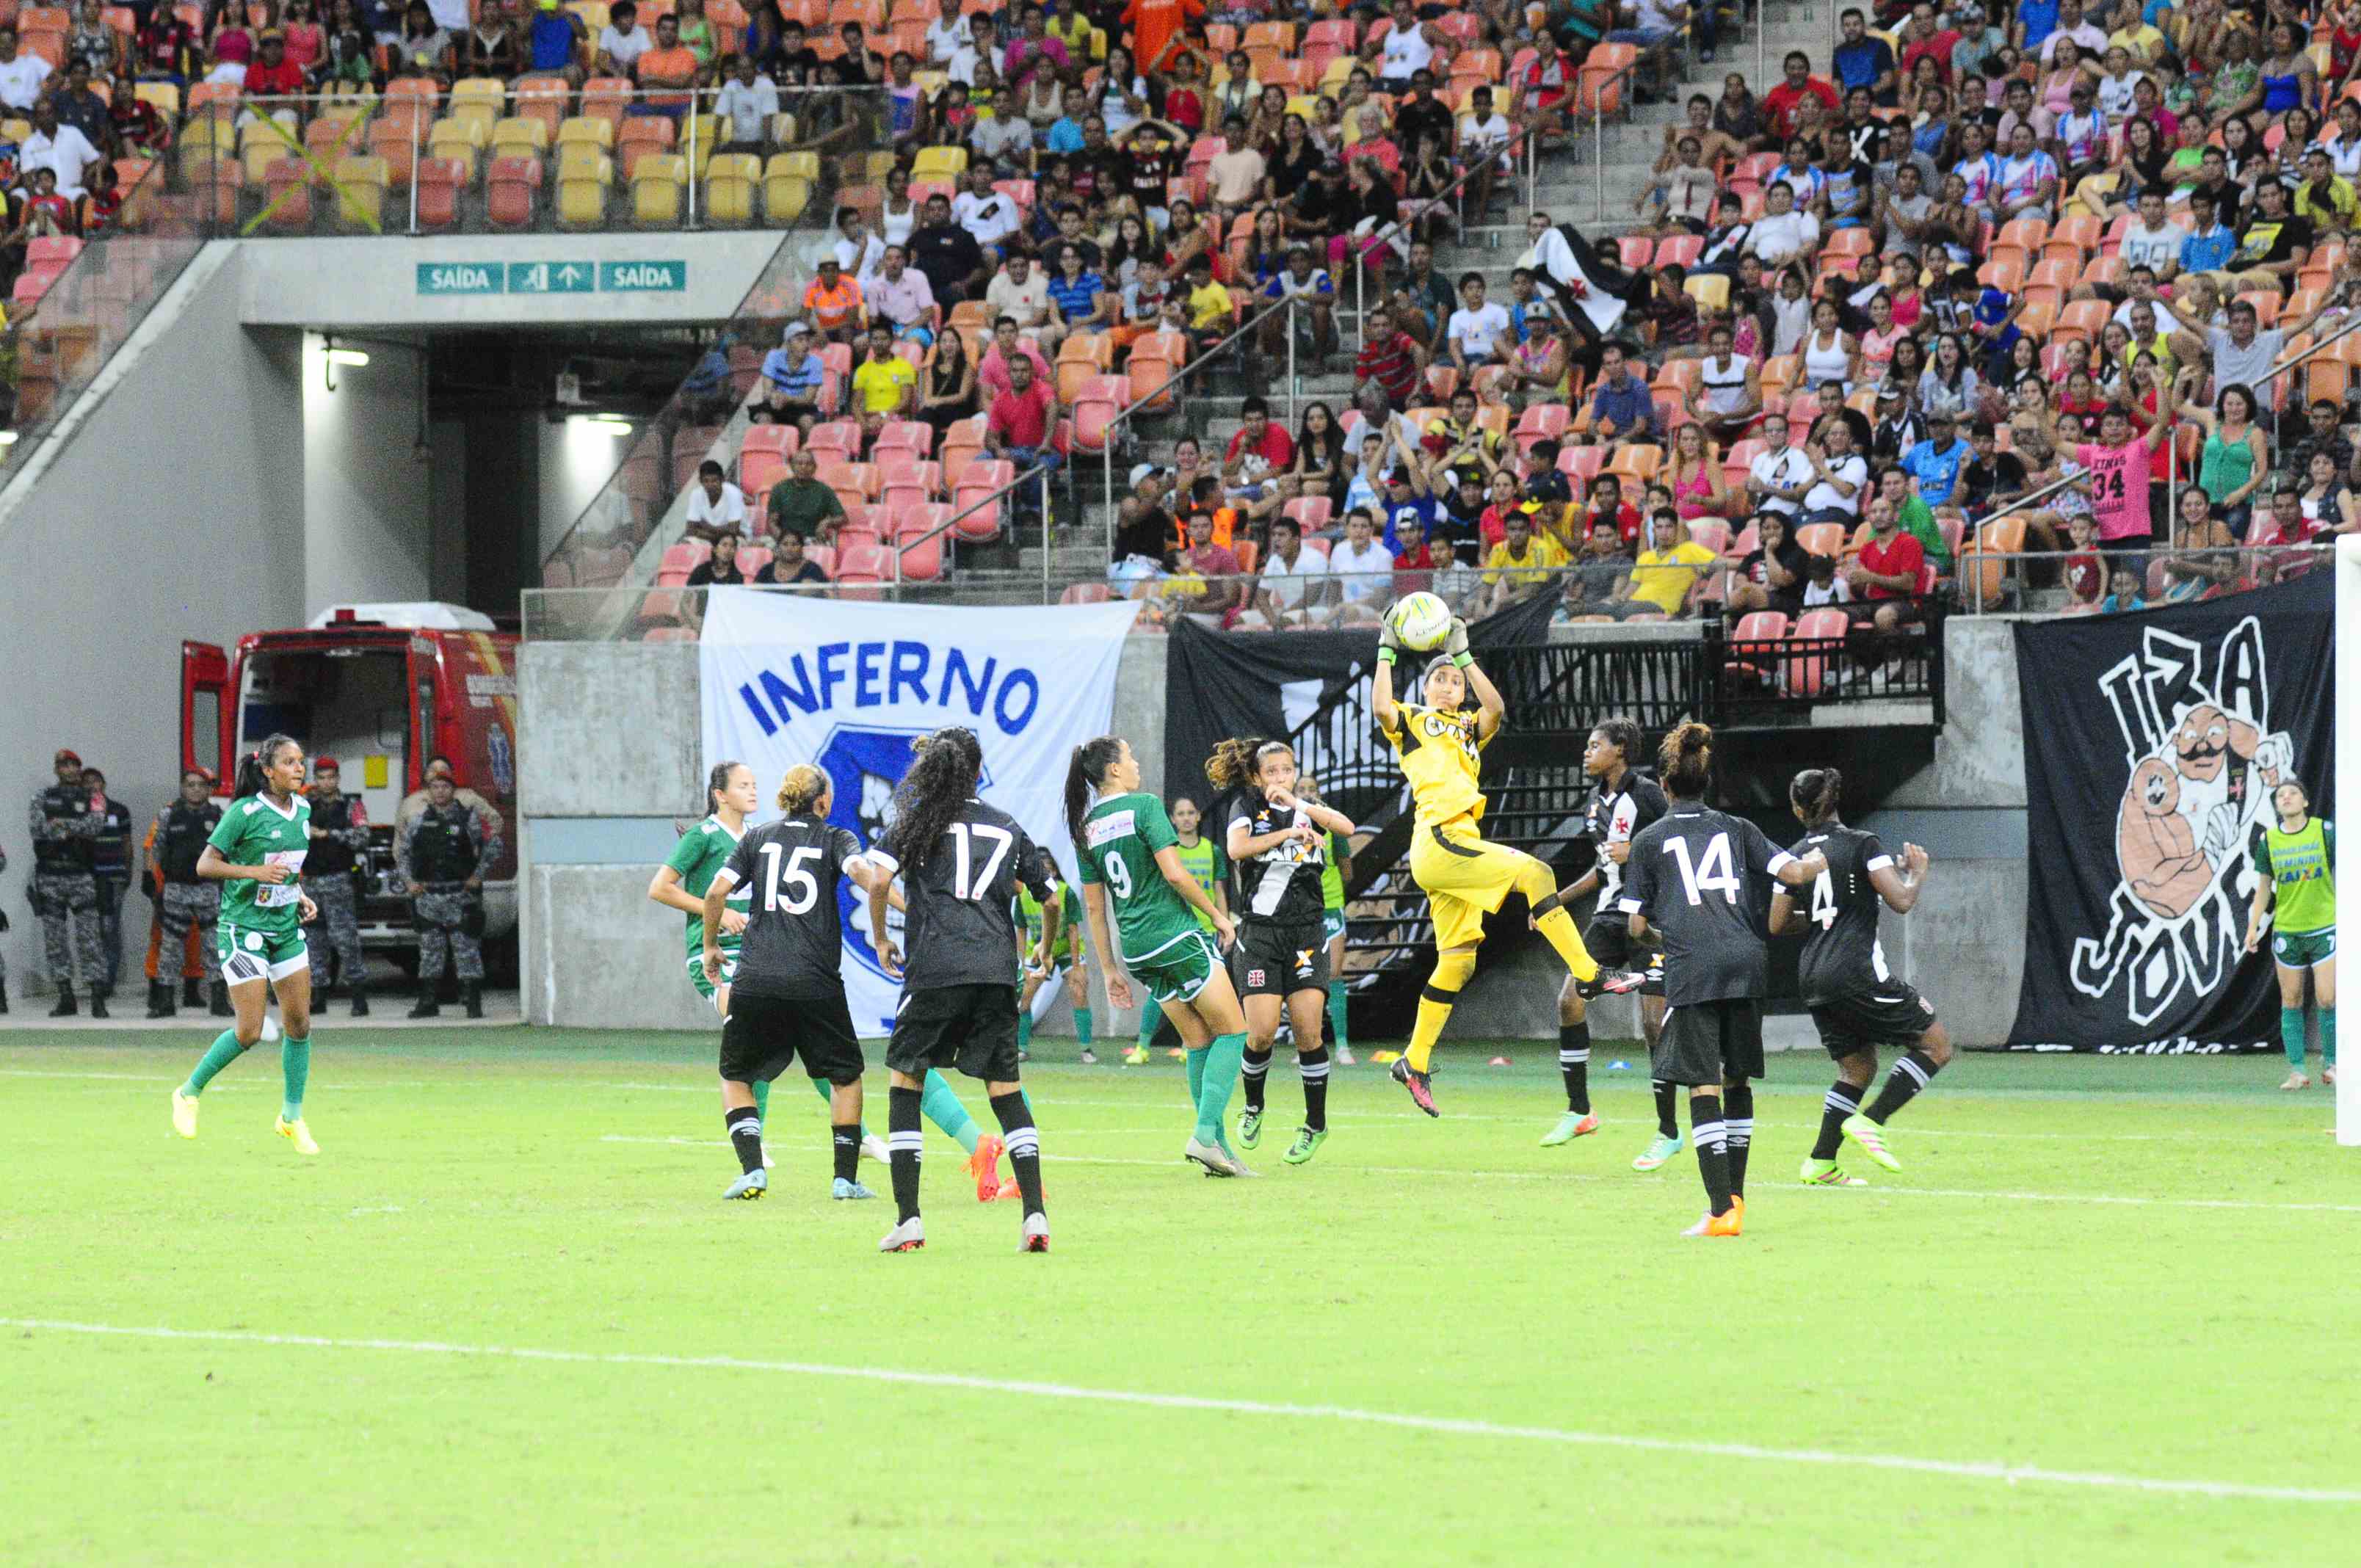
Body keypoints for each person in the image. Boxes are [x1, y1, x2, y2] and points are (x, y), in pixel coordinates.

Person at [1374, 609, 1641, 1116]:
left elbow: (1496, 707)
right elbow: (1381, 706)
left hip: (1455, 846)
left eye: (1455, 680)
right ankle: (1588, 973)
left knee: (1458, 961)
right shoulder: (1412, 718)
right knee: (1536, 872)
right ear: (1426, 689)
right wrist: (1387, 648)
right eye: (1442, 679)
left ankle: (1414, 1059)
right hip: (1440, 839)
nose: (1451, 685)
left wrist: (1465, 655)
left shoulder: (1469, 727)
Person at [1619, 722, 1826, 1235]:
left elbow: (1636, 926)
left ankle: (1719, 1212)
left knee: (1701, 1083)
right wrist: (1825, 859)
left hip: (1695, 967)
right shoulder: (1738, 829)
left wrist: (1669, 943)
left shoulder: (1649, 841)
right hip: (1748, 960)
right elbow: (1795, 874)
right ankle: (1735, 1198)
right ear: (1706, 782)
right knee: (1737, 1079)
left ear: (1665, 787)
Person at [864, 727, 1055, 1252]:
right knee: (1006, 1092)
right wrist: (1043, 948)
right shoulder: (1007, 826)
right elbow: (1051, 896)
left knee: (906, 1083)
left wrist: (881, 937)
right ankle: (1035, 1217)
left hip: (935, 968)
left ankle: (910, 1220)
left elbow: (877, 881)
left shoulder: (919, 822)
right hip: (996, 969)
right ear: (978, 769)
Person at [694, 763, 898, 1202]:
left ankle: (752, 1171)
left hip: (756, 979)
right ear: (822, 801)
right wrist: (893, 924)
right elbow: (871, 879)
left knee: (735, 1075)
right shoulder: (836, 838)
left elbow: (714, 894)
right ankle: (844, 1179)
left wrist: (711, 946)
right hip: (815, 981)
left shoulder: (757, 837)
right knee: (846, 1078)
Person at [1066, 739, 1257, 1171]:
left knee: (1198, 1041)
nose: (1136, 763)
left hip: (1136, 950)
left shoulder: (1086, 828)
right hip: (1174, 936)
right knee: (1234, 1032)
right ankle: (1205, 1134)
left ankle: (1218, 1150)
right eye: (1130, 757)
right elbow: (1174, 873)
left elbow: (1095, 908)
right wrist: (1219, 917)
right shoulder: (1144, 806)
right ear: (1114, 769)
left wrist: (1111, 969)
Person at [1769, 765, 1952, 1185]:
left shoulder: (1793, 854)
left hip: (1813, 977)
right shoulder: (1863, 844)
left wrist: (1821, 919)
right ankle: (1873, 1121)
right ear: (1836, 802)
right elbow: (1901, 900)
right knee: (1936, 1044)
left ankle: (1820, 1162)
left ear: (1798, 808)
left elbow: (1776, 924)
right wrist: (1917, 872)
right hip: (1856, 973)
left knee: (1857, 1069)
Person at [1201, 736, 1357, 1165]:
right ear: (1256, 776)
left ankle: (1316, 1124)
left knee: (1309, 1031)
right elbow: (1236, 850)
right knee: (1262, 1032)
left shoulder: (1309, 810)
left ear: (1294, 771)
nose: (1279, 778)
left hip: (1307, 933)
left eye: (1285, 770)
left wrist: (1300, 807)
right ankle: (1253, 1106)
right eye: (1270, 772)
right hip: (1261, 935)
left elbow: (1346, 828)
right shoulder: (1247, 808)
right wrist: (1288, 832)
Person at [1523, 718, 1673, 1156]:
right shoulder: (1595, 803)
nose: (1586, 753)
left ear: (1620, 749)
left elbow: (1680, 840)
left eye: (1595, 746)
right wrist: (1555, 901)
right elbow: (1603, 868)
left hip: (1650, 917)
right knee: (1569, 1000)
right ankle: (1580, 1111)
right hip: (1609, 916)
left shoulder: (1646, 793)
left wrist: (1641, 847)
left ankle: (1668, 1130)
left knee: (1652, 1025)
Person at [168, 737, 325, 1157]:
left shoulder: (304, 810)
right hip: (243, 930)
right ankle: (188, 1092)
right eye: (289, 763)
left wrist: (299, 892)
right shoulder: (245, 812)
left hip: (285, 927)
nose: (298, 768)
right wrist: (254, 872)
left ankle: (291, 1118)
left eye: (300, 761)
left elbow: (287, 868)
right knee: (250, 1030)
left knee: (300, 1025)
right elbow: (205, 865)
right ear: (268, 771)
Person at [2242, 777, 2337, 1089]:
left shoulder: (2324, 832)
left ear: (2305, 801)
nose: (2286, 798)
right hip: (2288, 929)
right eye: (2280, 795)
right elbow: (2264, 889)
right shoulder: (2268, 841)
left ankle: (2332, 1064)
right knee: (2291, 1000)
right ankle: (2297, 1070)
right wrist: (2253, 927)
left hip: (2325, 925)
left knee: (2327, 997)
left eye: (2293, 793)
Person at [1125, 791, 1232, 1067]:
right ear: (1172, 820)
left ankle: (1189, 1045)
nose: (1186, 818)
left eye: (1190, 813)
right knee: (1159, 993)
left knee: (1201, 992)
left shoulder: (1212, 850)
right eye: (1180, 814)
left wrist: (1222, 918)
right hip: (1173, 927)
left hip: (1204, 928)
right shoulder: (1167, 851)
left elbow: (1219, 888)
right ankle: (1143, 1046)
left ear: (1199, 817)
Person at [398, 771, 500, 1019]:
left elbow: (494, 844)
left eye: (445, 786)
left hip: (459, 894)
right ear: (428, 791)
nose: (440, 791)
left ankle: (473, 1002)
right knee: (430, 952)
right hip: (429, 895)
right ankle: (428, 1002)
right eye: (435, 787)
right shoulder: (418, 821)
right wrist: (410, 882)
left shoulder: (469, 819)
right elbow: (404, 853)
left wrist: (479, 875)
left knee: (466, 950)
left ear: (453, 789)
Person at [145, 768, 226, 1019]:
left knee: (215, 946)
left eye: (201, 785)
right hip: (176, 888)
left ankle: (220, 1001)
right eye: (190, 785)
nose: (195, 789)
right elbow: (156, 848)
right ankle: (165, 1002)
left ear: (209, 789)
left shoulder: (219, 815)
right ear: (182, 788)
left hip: (208, 888)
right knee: (170, 946)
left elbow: (229, 849)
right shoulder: (169, 814)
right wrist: (149, 877)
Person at [29, 747, 105, 1017]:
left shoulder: (93, 797)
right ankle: (65, 996)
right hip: (50, 875)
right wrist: (74, 826)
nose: (70, 770)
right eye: (64, 766)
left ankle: (97, 997)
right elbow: (38, 828)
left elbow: (95, 826)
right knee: (55, 941)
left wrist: (60, 825)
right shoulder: (43, 797)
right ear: (57, 770)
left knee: (90, 939)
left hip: (81, 875)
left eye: (74, 766)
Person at [301, 757, 371, 1017]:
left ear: (338, 779)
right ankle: (318, 996)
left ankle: (358, 996)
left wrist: (329, 834)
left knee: (346, 940)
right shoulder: (304, 807)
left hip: (338, 879)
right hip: (311, 881)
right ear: (315, 780)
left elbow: (363, 836)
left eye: (331, 777)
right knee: (314, 941)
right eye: (321, 777)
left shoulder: (352, 805)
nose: (326, 782)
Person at [1015, 868, 1092, 1063]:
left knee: (1079, 991)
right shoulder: (1023, 895)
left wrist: (1076, 967)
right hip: (1038, 951)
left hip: (1066, 949)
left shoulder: (1066, 892)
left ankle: (1086, 1049)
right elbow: (1021, 931)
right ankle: (1021, 1048)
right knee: (1024, 995)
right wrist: (1020, 963)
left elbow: (1074, 930)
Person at [79, 766, 131, 1002]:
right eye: (86, 782)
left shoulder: (119, 810)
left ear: (104, 783)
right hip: (87, 878)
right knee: (92, 930)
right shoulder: (79, 811)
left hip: (113, 878)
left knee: (109, 929)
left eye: (96, 780)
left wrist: (128, 871)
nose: (91, 785)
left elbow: (127, 842)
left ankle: (108, 980)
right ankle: (95, 979)